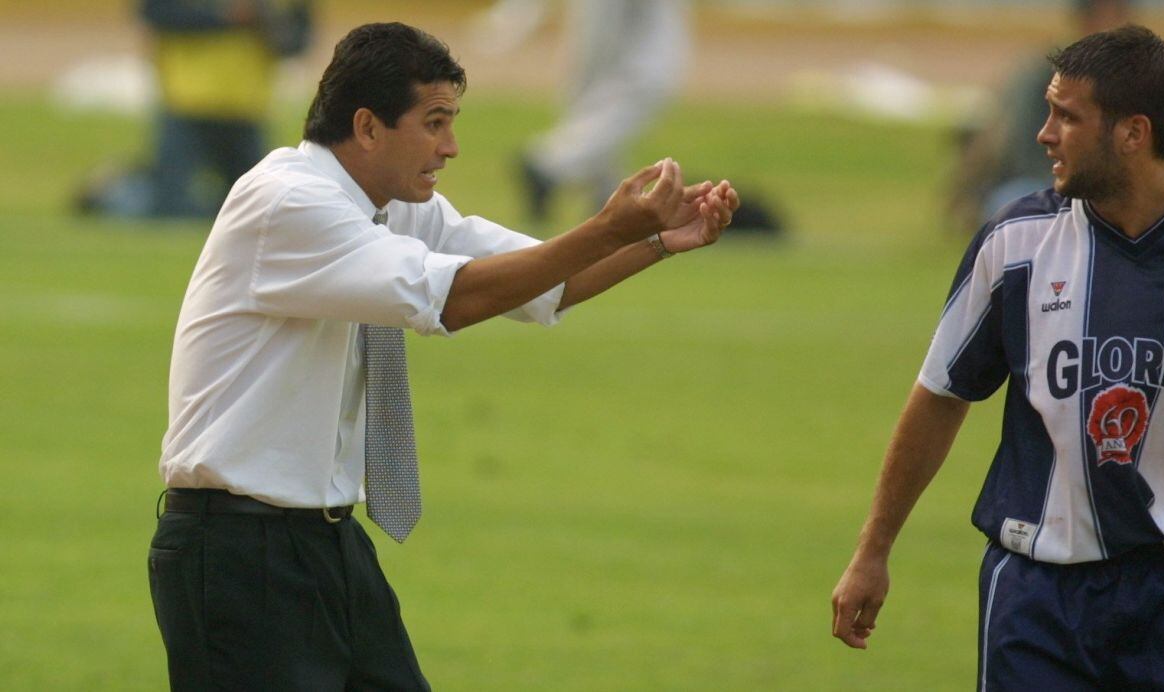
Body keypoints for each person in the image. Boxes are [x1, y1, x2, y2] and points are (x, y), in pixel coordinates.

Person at [147, 22, 738, 690]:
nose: (450, 147)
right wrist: (607, 227)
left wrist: (653, 241)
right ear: (367, 127)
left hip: (327, 544)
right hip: (237, 553)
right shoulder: (288, 201)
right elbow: (453, 299)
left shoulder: (392, 205)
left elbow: (542, 281)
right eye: (434, 124)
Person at [832, 25, 1164, 690]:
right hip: (1036, 597)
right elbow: (940, 394)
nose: (1044, 134)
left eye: (1067, 117)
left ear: (1133, 133)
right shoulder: (1016, 242)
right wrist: (872, 551)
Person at [78, 0, 313, 218]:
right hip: (187, 104)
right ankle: (113, 195)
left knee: (255, 208)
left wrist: (265, 22)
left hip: (245, 109)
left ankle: (125, 187)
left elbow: (296, 41)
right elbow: (156, 13)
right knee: (172, 206)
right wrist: (227, 17)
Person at [946, 0, 1130, 232]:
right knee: (1019, 207)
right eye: (1109, 18)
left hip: (1088, 187)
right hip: (1031, 183)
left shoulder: (1126, 78)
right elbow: (1024, 152)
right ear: (1087, 20)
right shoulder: (1043, 73)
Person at [511, 0, 691, 221]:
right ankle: (550, 165)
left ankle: (607, 194)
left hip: (634, 54)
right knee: (626, 103)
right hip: (633, 65)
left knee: (610, 115)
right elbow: (598, 30)